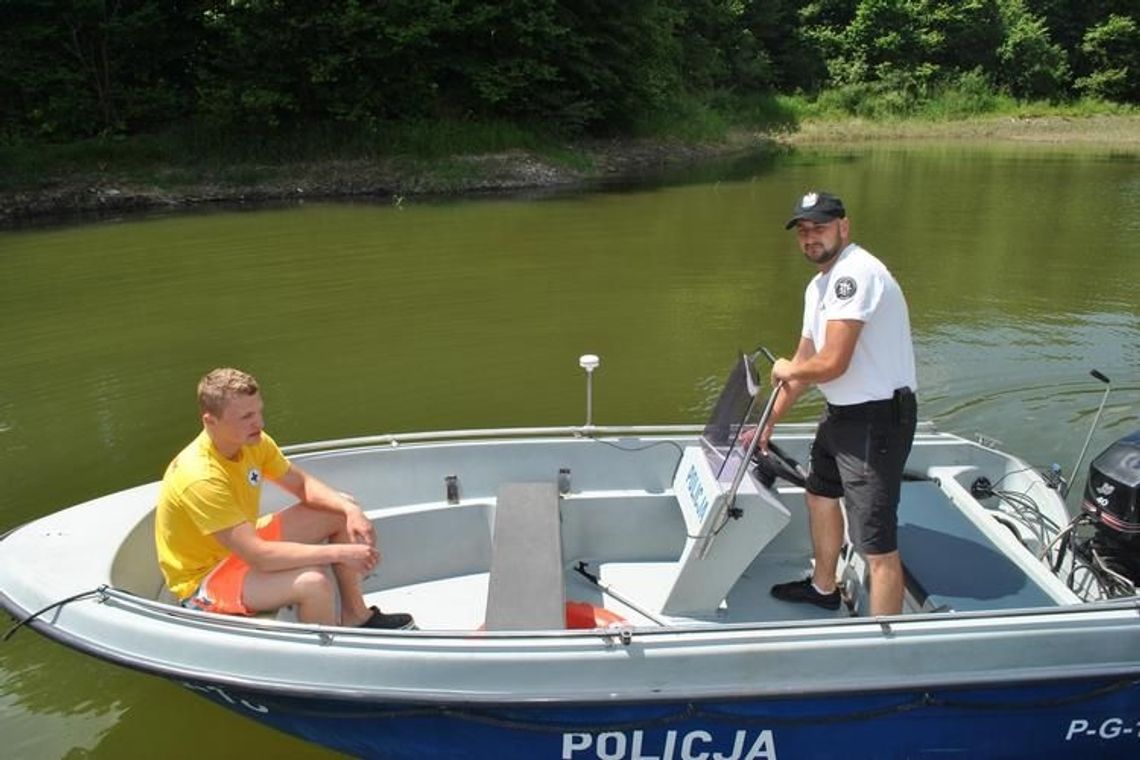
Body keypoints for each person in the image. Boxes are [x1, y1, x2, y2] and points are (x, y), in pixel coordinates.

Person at [154, 368, 415, 629]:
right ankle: (326, 661)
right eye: (246, 416)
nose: (259, 423)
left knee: (337, 510)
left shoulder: (253, 442)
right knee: (313, 584)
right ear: (210, 421)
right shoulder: (201, 477)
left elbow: (302, 486)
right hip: (205, 581)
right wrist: (340, 553)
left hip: (241, 549)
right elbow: (259, 556)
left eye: (258, 412)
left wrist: (350, 510)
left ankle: (356, 617)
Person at [760, 191, 917, 616]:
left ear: (844, 227)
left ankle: (886, 644)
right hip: (842, 416)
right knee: (819, 495)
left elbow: (830, 363)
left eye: (820, 228)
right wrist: (766, 425)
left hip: (876, 421)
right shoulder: (819, 285)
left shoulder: (856, 273)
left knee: (876, 545)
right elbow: (805, 360)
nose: (811, 238)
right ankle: (824, 587)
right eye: (804, 231)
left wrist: (789, 370)